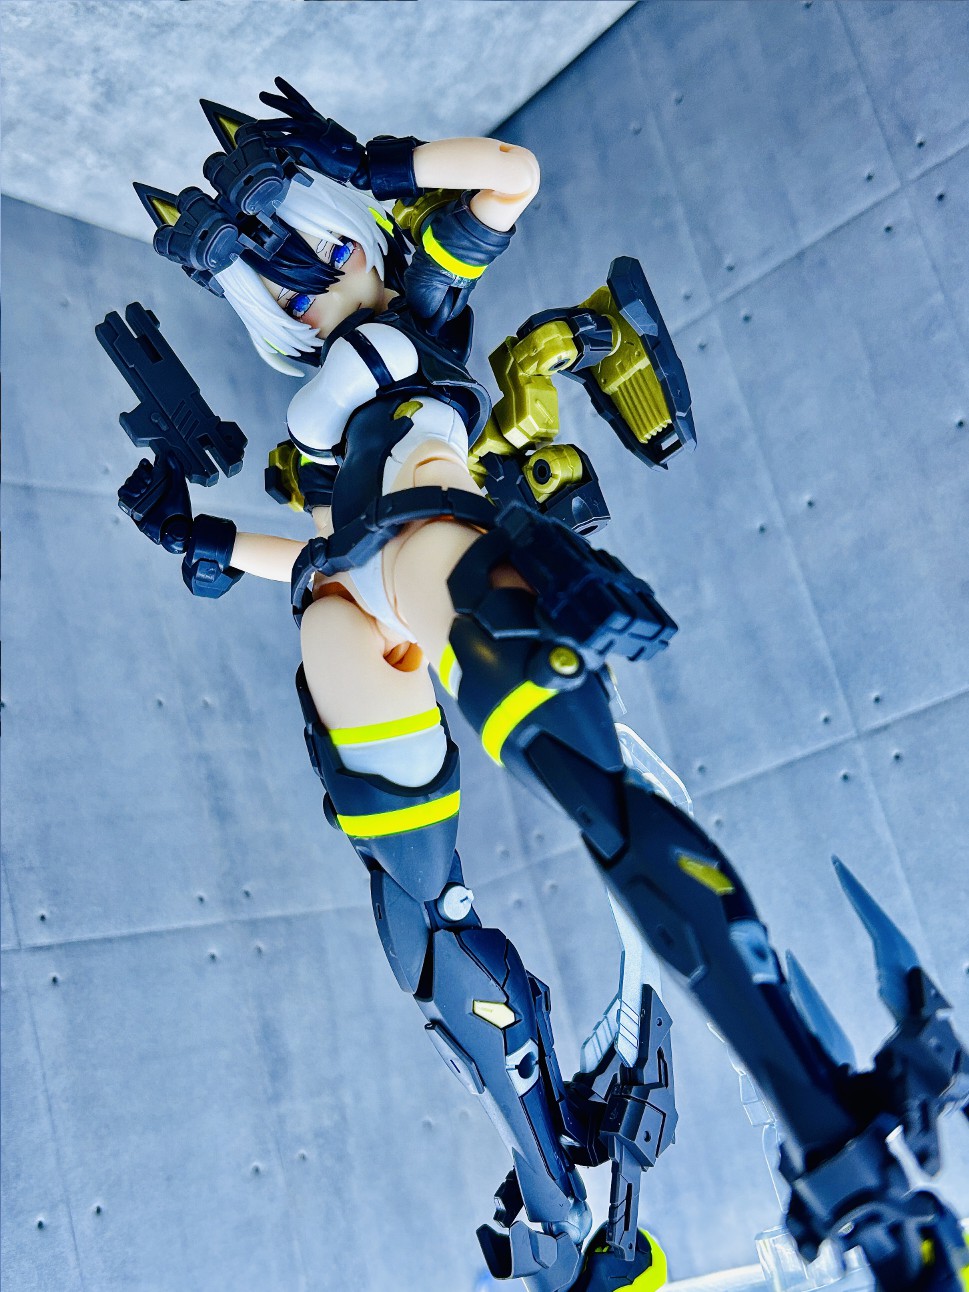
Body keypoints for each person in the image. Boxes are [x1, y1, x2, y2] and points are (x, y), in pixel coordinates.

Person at [116, 80, 969, 1292]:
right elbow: (314, 541)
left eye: (309, 251)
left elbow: (509, 176)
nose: (300, 285)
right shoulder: (322, 416)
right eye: (275, 282)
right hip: (340, 598)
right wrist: (200, 539)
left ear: (349, 232)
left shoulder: (422, 304)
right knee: (421, 924)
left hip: (428, 546)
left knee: (593, 791)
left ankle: (836, 1138)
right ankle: (559, 1208)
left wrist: (368, 162)